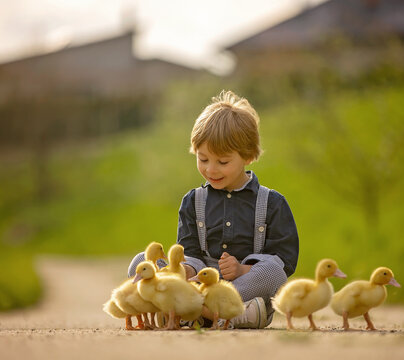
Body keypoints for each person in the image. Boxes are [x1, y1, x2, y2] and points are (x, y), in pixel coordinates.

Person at [128, 90, 299, 329]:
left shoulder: (272, 202)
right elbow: (190, 251)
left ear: (248, 156)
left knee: (274, 273)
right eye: (203, 159)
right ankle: (212, 312)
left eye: (223, 162)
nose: (211, 170)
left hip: (242, 288)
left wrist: (242, 268)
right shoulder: (193, 201)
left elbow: (285, 259)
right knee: (140, 261)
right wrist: (184, 270)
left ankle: (199, 310)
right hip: (200, 280)